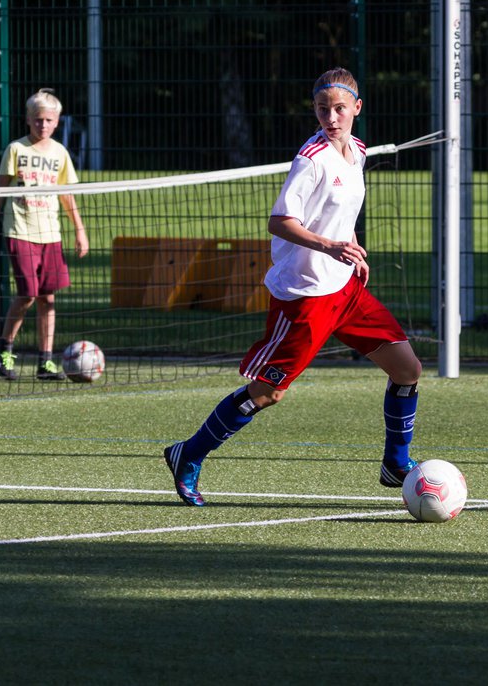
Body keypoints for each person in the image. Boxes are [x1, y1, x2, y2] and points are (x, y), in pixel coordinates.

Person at [163, 68, 423, 506]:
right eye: (323, 109)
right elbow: (280, 221)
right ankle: (187, 454)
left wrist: (352, 247)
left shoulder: (357, 151)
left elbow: (340, 214)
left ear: (357, 108)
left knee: (407, 370)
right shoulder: (312, 158)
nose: (332, 117)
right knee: (268, 392)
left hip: (346, 290)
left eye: (340, 108)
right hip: (304, 295)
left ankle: (395, 464)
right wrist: (328, 246)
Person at [0, 88, 89, 380]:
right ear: (28, 119)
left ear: (57, 122)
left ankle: (46, 361)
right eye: (38, 120)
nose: (43, 125)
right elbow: (0, 192)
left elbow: (66, 195)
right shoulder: (16, 149)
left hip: (50, 234)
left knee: (48, 298)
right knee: (27, 293)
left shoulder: (59, 153)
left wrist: (79, 230)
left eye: (49, 120)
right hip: (20, 230)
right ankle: (3, 348)